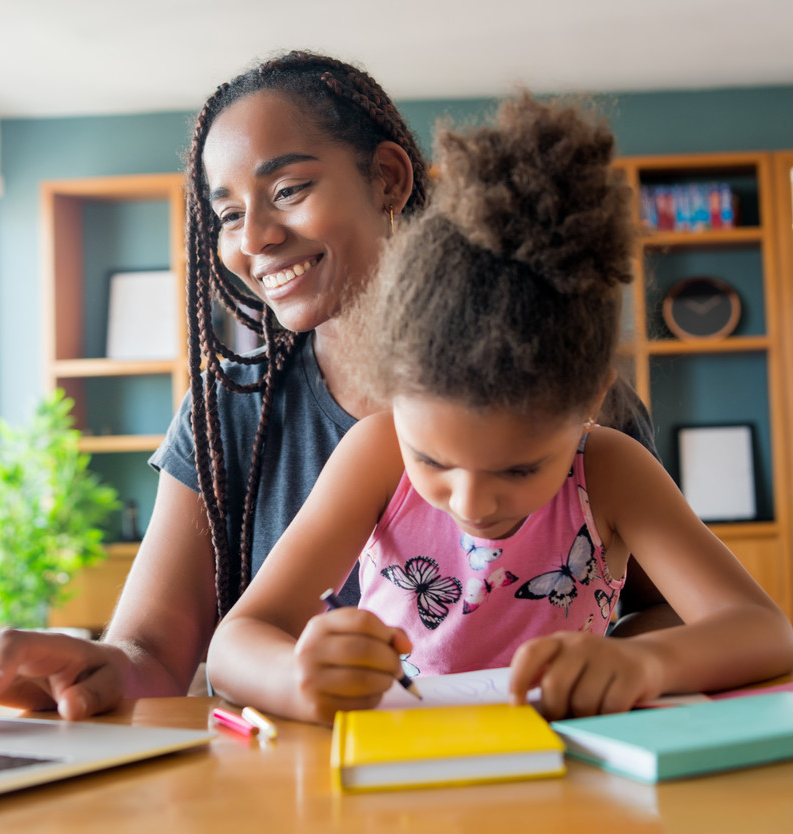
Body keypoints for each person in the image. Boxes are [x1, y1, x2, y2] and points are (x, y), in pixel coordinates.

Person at [0, 51, 678, 729]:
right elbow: (153, 657)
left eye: (288, 189)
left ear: (388, 178)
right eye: (227, 214)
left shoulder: (559, 398)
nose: (254, 237)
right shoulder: (229, 414)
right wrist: (73, 670)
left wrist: (606, 668)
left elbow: (677, 610)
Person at [204, 93, 793, 725]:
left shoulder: (611, 470)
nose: (473, 503)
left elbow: (762, 629)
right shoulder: (375, 453)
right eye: (434, 462)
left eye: (518, 469)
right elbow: (234, 645)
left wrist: (644, 663)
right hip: (403, 763)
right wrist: (297, 676)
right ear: (394, 391)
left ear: (590, 399)